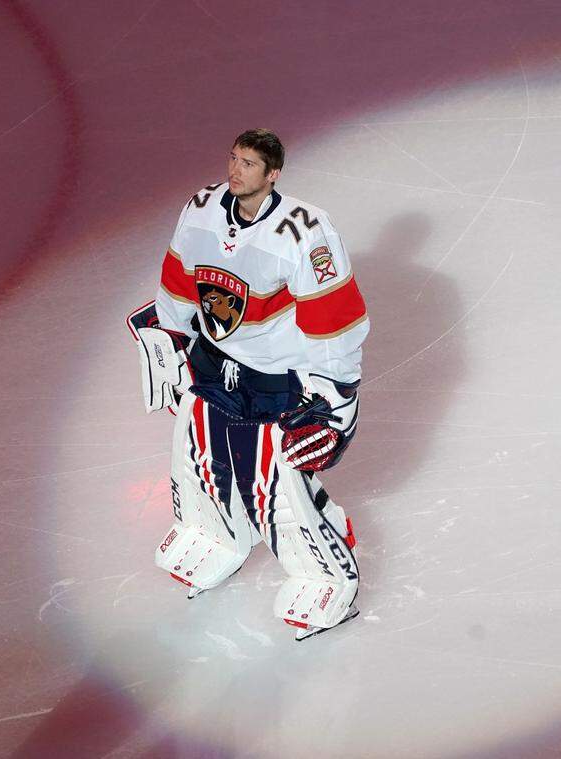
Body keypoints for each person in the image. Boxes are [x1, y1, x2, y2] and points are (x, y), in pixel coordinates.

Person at [127, 128, 369, 640]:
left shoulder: (306, 230)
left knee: (276, 472)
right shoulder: (201, 210)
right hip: (216, 359)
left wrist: (336, 397)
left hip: (276, 371)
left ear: (273, 173)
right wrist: (170, 333)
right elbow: (178, 279)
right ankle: (216, 533)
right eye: (233, 159)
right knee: (198, 441)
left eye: (249, 164)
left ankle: (325, 572)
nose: (235, 170)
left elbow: (334, 322)